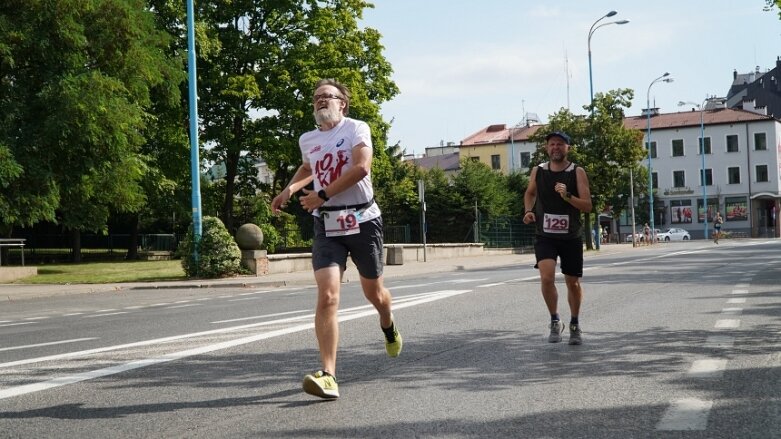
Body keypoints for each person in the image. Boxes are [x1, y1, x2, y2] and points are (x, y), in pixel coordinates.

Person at [271, 78, 401, 399]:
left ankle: (387, 322)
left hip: (363, 220)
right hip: (327, 224)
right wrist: (291, 188)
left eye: (327, 97)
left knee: (375, 293)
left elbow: (361, 168)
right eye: (315, 98)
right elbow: (308, 167)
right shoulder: (308, 138)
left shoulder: (357, 129)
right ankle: (329, 374)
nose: (320, 102)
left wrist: (322, 194)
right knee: (328, 295)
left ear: (342, 103)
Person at [523, 131, 592, 345]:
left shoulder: (576, 172)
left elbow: (587, 206)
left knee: (572, 282)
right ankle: (555, 320)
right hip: (545, 235)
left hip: (570, 236)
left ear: (567, 148)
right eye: (552, 144)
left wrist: (567, 196)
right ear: (547, 148)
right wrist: (528, 210)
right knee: (546, 277)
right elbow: (530, 193)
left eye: (560, 144)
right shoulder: (539, 171)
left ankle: (574, 323)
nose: (556, 148)